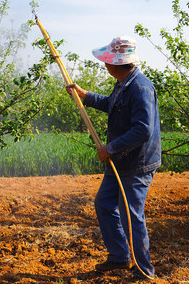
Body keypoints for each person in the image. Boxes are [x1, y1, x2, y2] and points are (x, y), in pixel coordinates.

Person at [66, 36, 161, 280]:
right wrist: (84, 95)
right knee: (105, 205)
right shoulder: (123, 83)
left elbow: (143, 129)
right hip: (119, 160)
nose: (105, 65)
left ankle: (144, 272)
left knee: (131, 215)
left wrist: (111, 147)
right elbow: (111, 104)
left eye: (108, 61)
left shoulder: (140, 88)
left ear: (119, 64)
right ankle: (120, 257)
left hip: (136, 163)